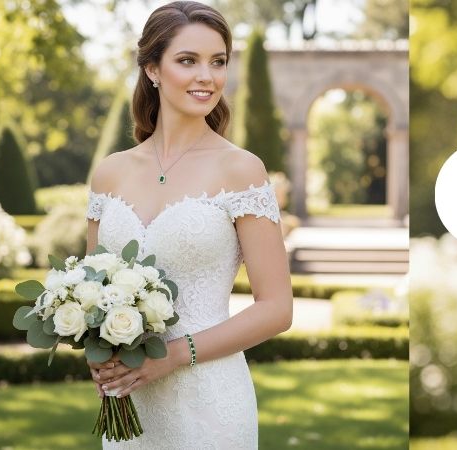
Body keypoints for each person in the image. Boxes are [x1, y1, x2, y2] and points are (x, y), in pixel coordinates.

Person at [85, 2, 293, 448]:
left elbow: (277, 308)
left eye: (218, 62)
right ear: (152, 69)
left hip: (211, 401)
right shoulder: (109, 174)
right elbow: (92, 294)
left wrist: (173, 356)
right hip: (130, 405)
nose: (207, 76)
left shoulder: (241, 170)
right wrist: (97, 352)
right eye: (188, 61)